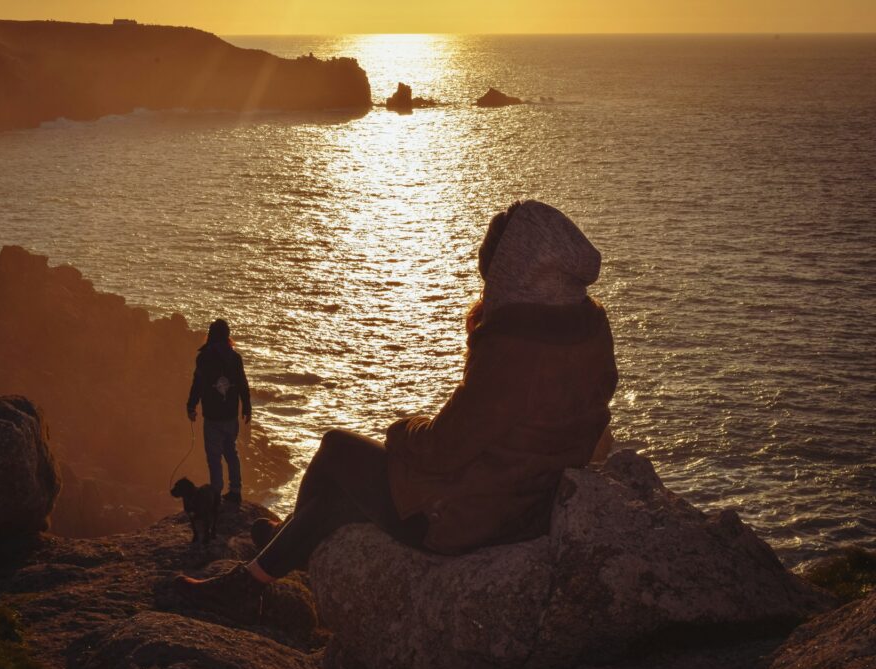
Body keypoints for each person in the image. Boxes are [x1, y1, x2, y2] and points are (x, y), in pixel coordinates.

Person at [174, 200, 619, 620]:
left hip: (469, 517)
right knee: (333, 504)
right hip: (527, 505)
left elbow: (444, 448)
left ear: (516, 272)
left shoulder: (513, 347)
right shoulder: (592, 330)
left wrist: (402, 429)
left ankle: (267, 562)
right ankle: (267, 562)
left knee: (335, 449)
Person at [186, 318, 252, 504]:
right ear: (227, 336)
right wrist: (247, 407)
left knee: (214, 456)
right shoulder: (235, 357)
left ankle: (215, 492)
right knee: (231, 452)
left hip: (212, 415)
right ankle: (236, 491)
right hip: (230, 414)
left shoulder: (204, 357)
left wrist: (191, 406)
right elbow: (242, 384)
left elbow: (197, 384)